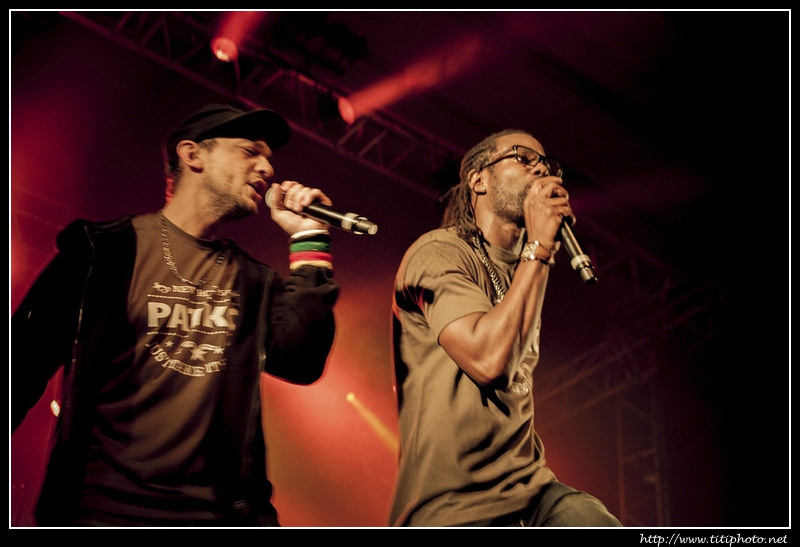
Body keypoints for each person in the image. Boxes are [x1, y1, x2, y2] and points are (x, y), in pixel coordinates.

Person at [11, 103, 340, 527]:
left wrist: (310, 238)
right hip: (103, 513)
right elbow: (20, 365)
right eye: (250, 151)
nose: (267, 169)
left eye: (268, 158)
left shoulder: (254, 281)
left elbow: (301, 362)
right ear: (192, 154)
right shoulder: (102, 252)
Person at [388, 129, 622, 527]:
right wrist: (539, 248)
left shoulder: (527, 267)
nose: (542, 171)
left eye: (547, 165)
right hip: (454, 505)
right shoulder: (438, 251)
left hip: (533, 490)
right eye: (524, 157)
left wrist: (538, 252)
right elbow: (489, 360)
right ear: (479, 179)